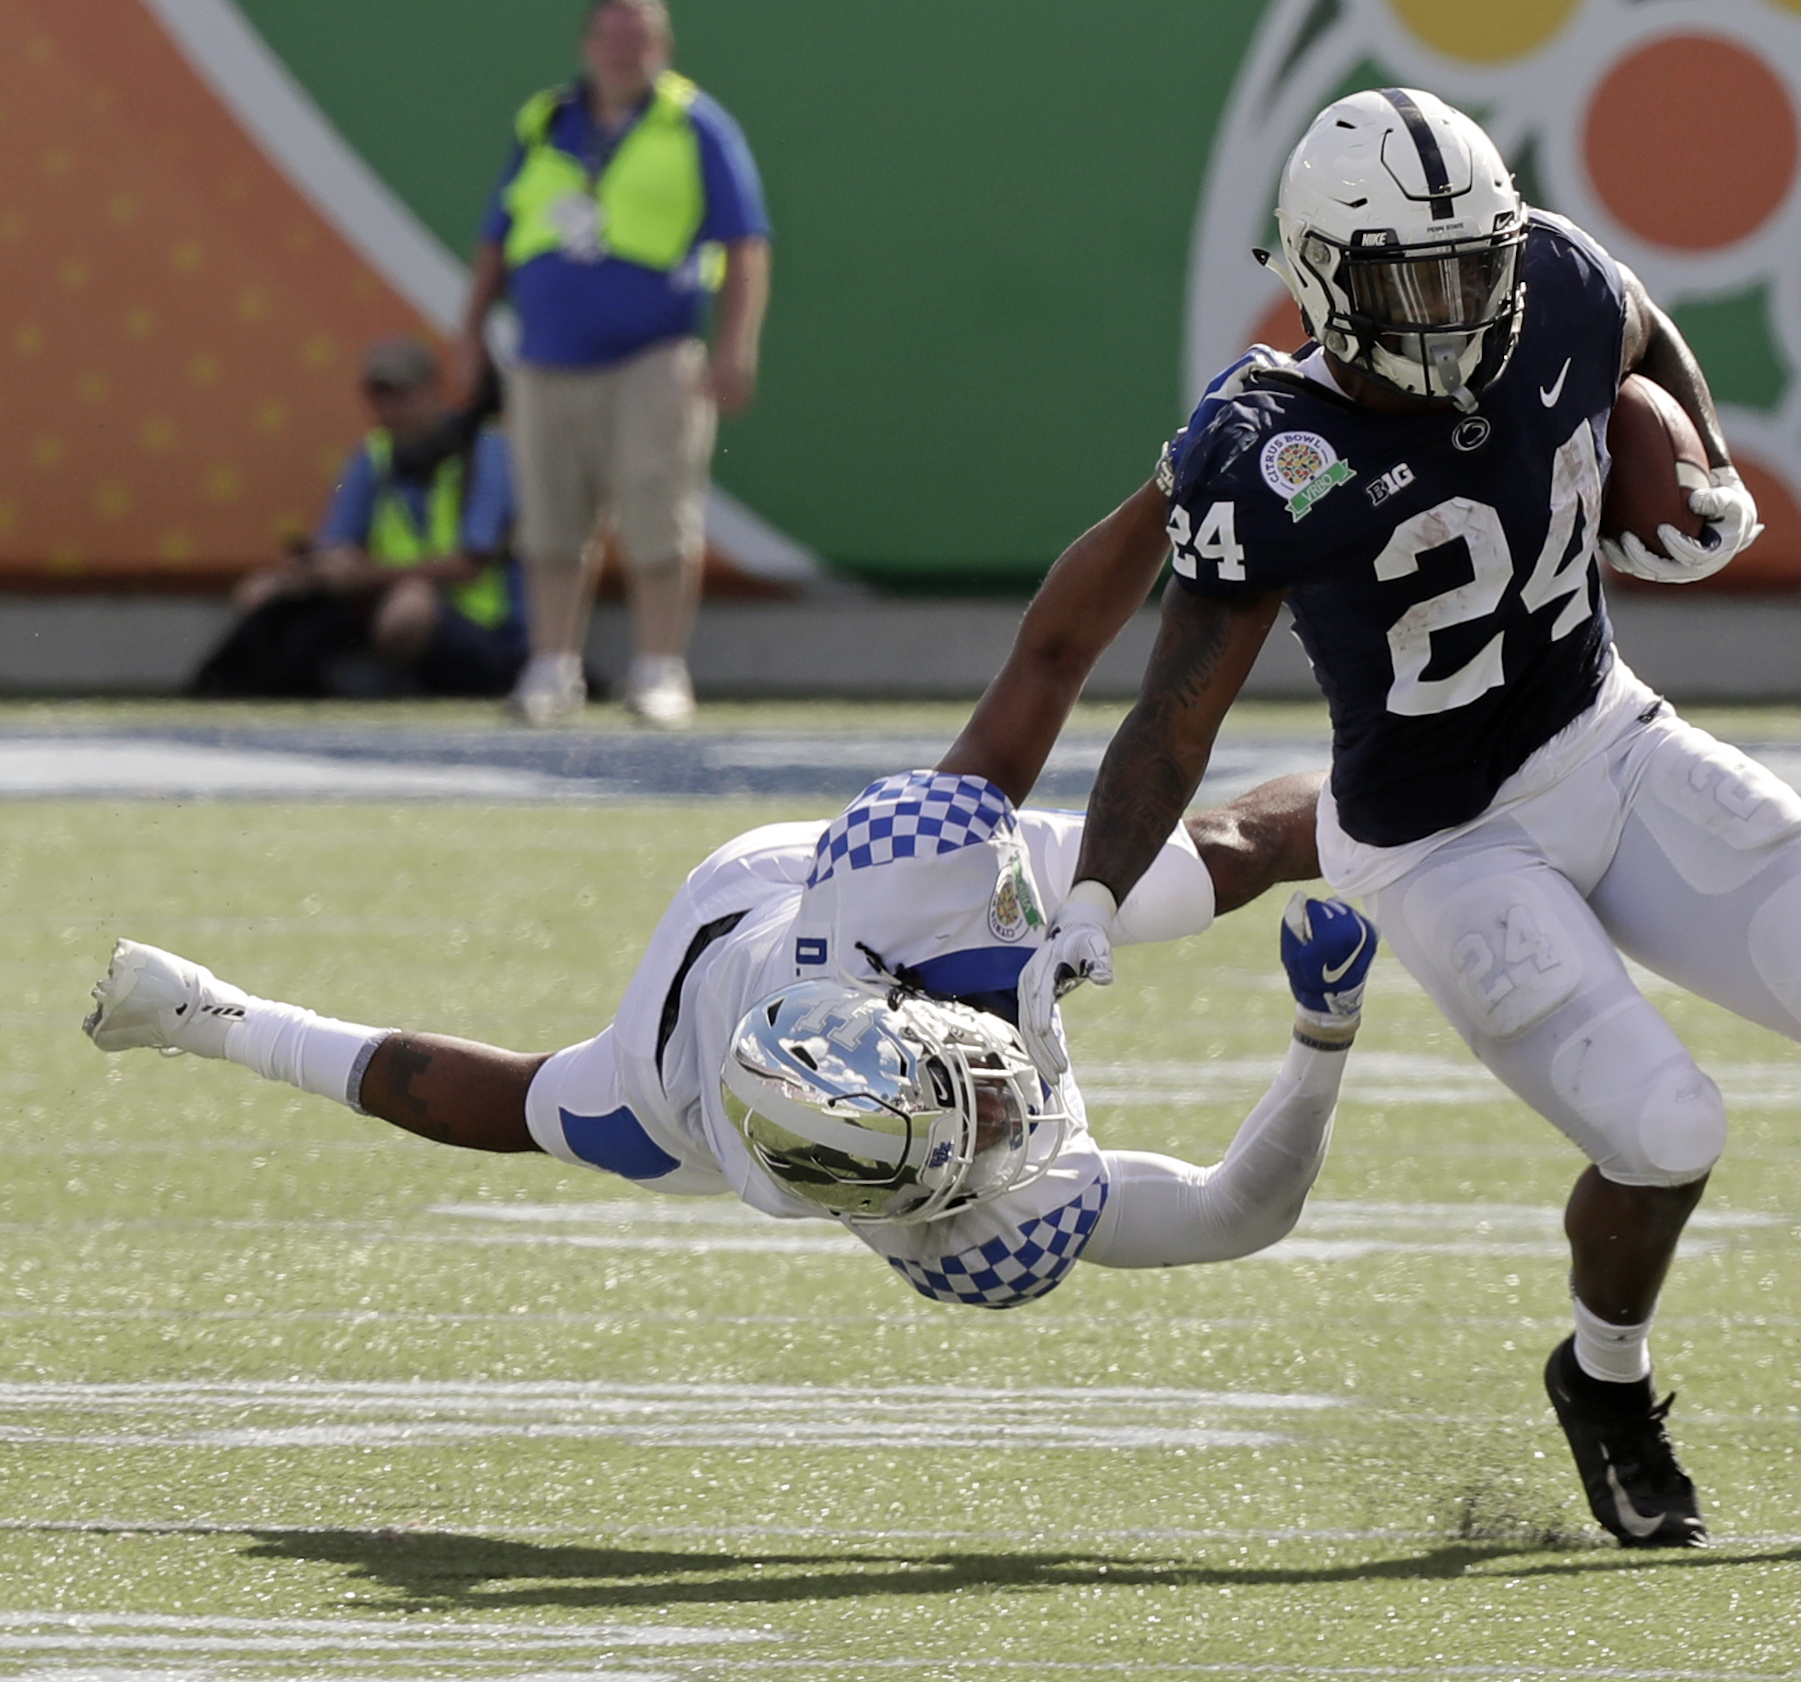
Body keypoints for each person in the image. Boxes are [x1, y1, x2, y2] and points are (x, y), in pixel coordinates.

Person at [1009, 89, 1801, 1547]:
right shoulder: (1269, 443)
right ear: (1317, 275)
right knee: (1669, 1127)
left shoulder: (1541, 275)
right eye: (1408, 282)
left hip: (1600, 739)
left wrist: (1703, 453)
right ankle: (1601, 1379)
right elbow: (1178, 709)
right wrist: (1097, 899)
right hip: (1439, 840)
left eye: (1468, 266)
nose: (1451, 307)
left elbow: (1632, 330)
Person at [87, 602, 1367, 1300]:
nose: (1001, 1103)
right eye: (972, 1126)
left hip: (759, 902)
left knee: (1215, 853)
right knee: (545, 1108)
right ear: (914, 1207)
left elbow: (1048, 657)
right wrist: (1324, 1038)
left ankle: (1440, 787)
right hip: (716, 1052)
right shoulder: (979, 1230)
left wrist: (1172, 485)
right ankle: (210, 1016)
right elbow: (1226, 1215)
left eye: (962, 1086)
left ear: (907, 1016)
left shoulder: (909, 895)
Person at [459, 0, 772, 729]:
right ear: (586, 43)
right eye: (611, 35)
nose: (623, 51)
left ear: (663, 45)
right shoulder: (544, 121)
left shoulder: (694, 124)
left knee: (656, 508)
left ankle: (660, 671)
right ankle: (550, 668)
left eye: (640, 37)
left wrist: (735, 346)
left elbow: (746, 241)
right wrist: (471, 328)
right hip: (543, 355)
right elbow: (496, 234)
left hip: (653, 353)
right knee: (549, 518)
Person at [191, 337, 524, 700]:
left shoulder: (488, 449)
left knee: (410, 607)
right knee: (268, 596)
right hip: (390, 603)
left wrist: (364, 575)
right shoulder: (374, 454)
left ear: (432, 390)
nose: (388, 408)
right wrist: (292, 579)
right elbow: (335, 546)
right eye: (378, 396)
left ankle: (400, 688)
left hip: (485, 628)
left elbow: (468, 564)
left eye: (400, 394)